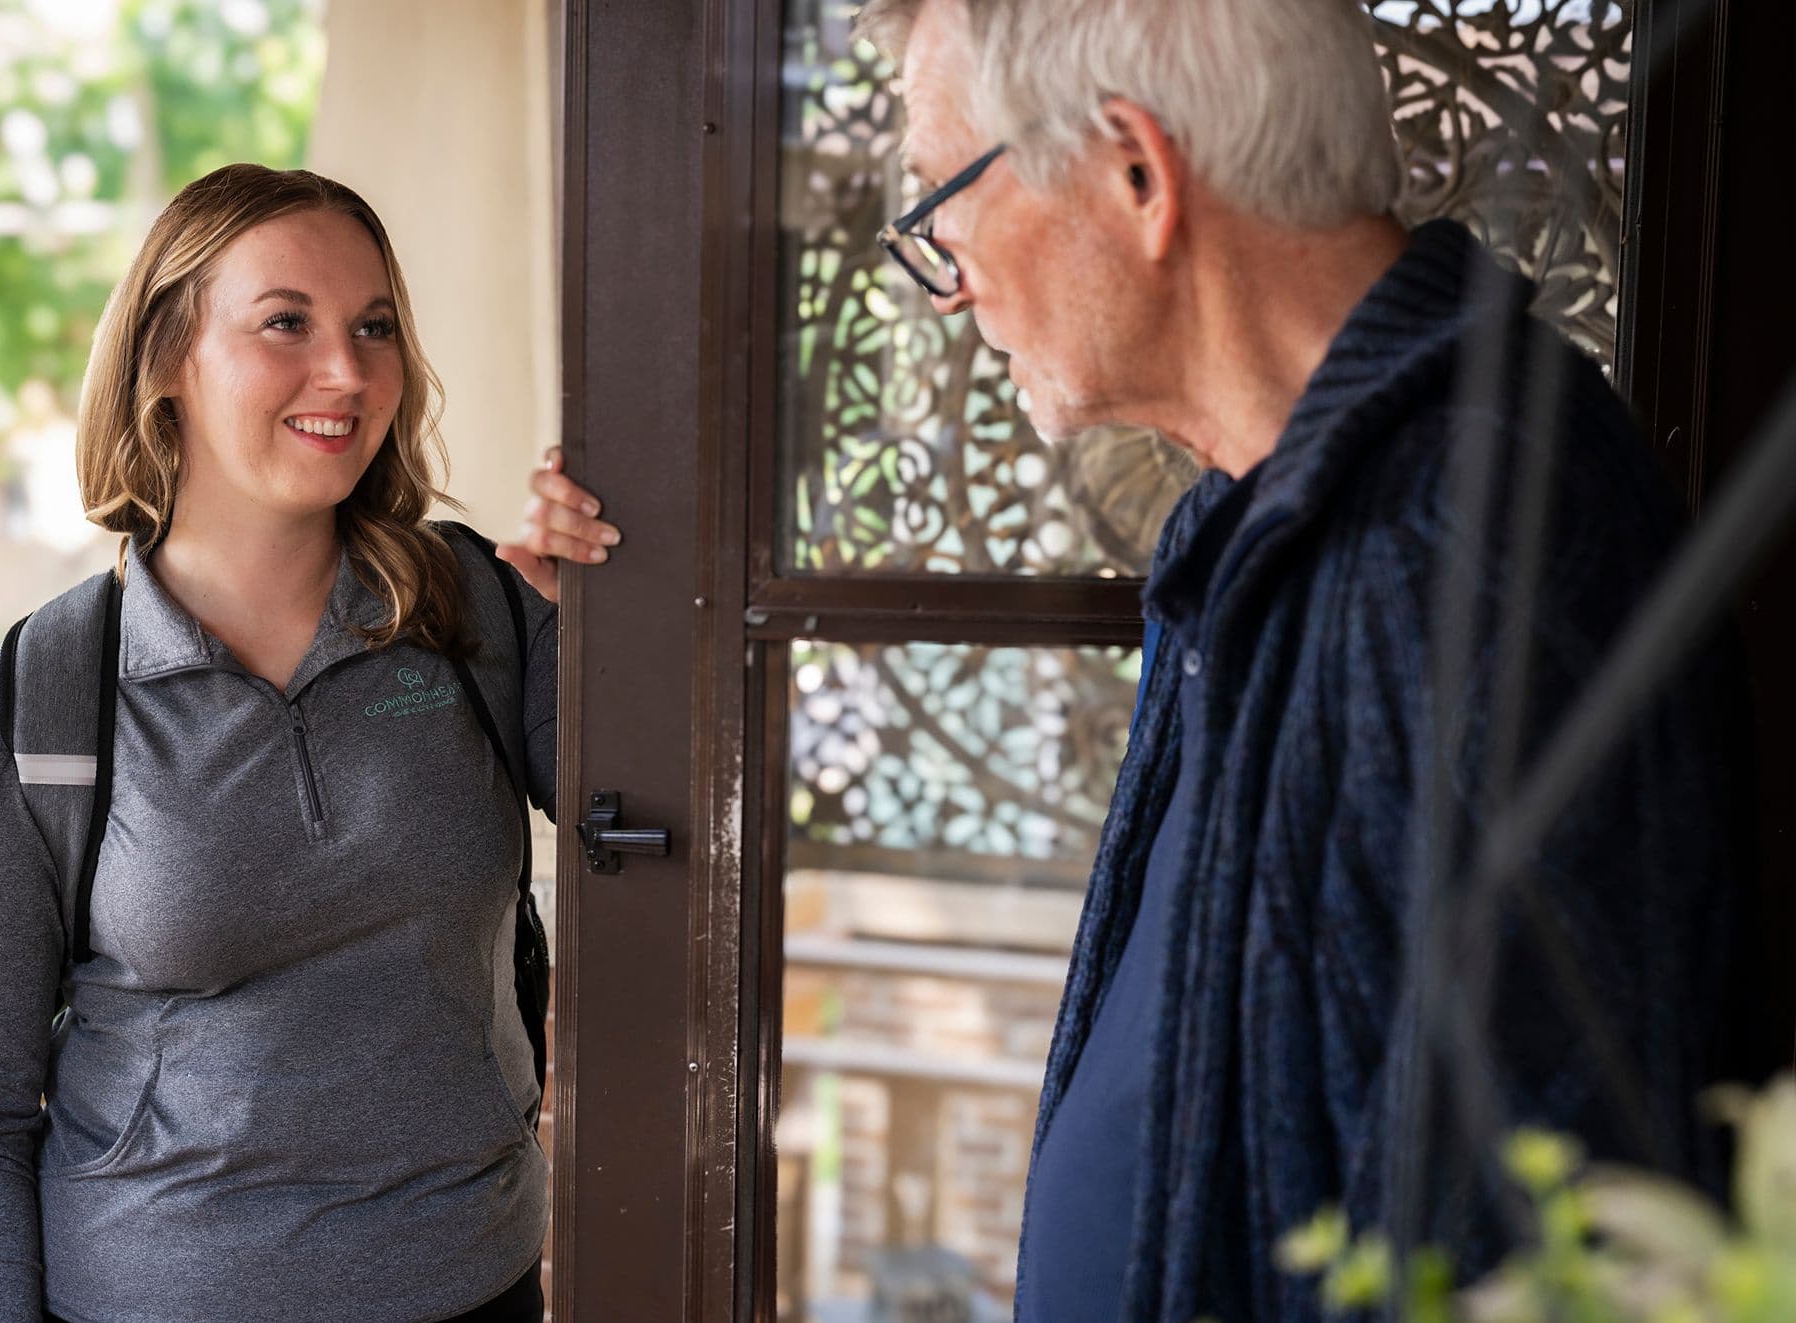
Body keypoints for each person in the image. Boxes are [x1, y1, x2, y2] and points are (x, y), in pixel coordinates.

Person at [518, 0, 1760, 1317]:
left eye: (942, 197)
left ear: (1134, 172)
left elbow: (1553, 1247)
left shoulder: (1476, 546)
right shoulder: (1265, 516)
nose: (947, 276)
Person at [0, 164, 562, 1323]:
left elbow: (671, 805)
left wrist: (633, 598)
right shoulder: (44, 696)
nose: (347, 372)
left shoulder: (476, 611)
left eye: (375, 327)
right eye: (284, 323)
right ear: (167, 357)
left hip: (476, 1286)